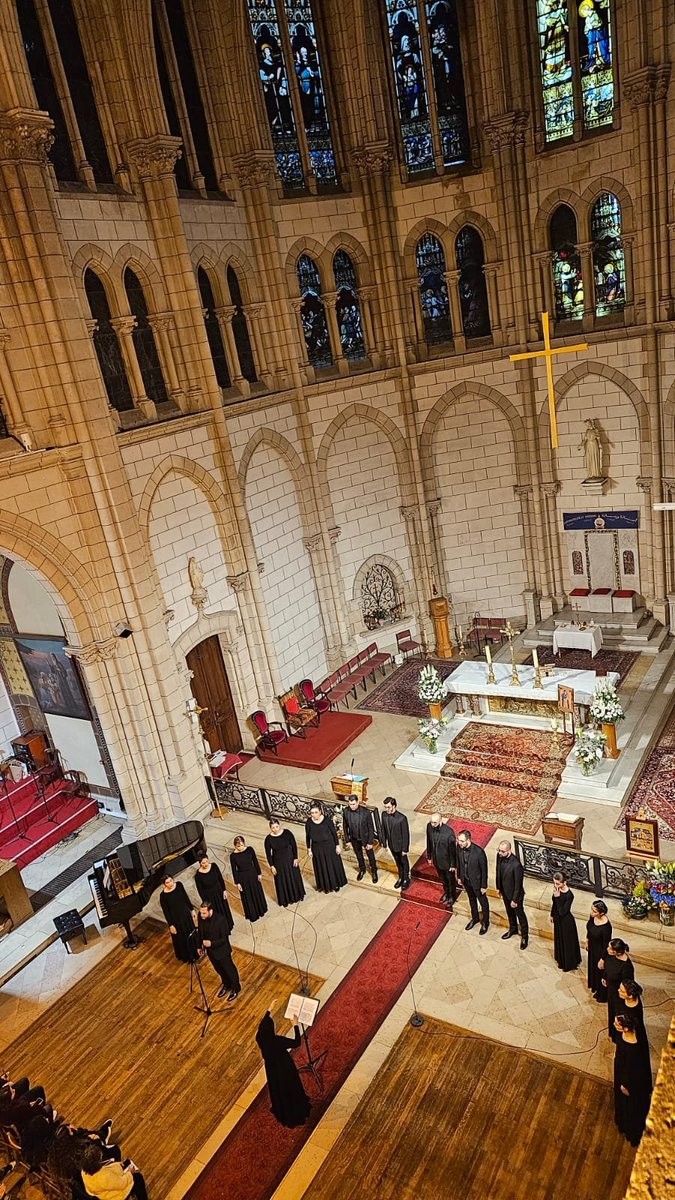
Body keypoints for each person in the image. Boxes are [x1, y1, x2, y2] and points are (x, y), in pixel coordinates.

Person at [255, 1006, 311, 1128]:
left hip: (272, 1070)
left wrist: (269, 1009)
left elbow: (263, 1023)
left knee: (279, 1090)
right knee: (291, 1088)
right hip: (285, 1068)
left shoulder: (260, 1038)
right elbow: (296, 1042)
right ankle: (295, 1112)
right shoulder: (277, 1040)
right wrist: (295, 1025)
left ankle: (283, 1111)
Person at [613, 1013, 653, 1147]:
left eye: (617, 1024)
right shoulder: (625, 1035)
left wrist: (626, 1085)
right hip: (621, 1073)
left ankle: (632, 1131)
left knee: (631, 1107)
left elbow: (632, 1071)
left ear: (625, 1029)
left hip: (629, 1083)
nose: (614, 1025)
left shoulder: (633, 1050)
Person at [197, 900, 241, 1000]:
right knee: (219, 969)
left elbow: (224, 939)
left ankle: (236, 988)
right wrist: (199, 946)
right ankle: (226, 984)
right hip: (211, 952)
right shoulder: (201, 917)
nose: (202, 915)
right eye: (201, 912)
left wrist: (211, 943)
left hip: (222, 951)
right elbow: (200, 932)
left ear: (210, 911)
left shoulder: (220, 920)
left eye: (204, 913)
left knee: (229, 970)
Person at [80, 1140, 147, 1200]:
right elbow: (121, 1183)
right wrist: (130, 1173)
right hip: (115, 1196)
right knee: (138, 1178)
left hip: (102, 1193)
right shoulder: (104, 1177)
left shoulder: (84, 1172)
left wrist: (117, 1165)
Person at [305, 803, 347, 894]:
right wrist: (309, 849)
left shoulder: (327, 820)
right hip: (317, 848)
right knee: (321, 867)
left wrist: (337, 845)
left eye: (316, 812)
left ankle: (335, 884)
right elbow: (308, 836)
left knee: (331, 866)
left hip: (329, 846)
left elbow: (334, 833)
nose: (314, 814)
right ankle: (324, 886)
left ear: (320, 811)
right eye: (312, 813)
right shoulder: (308, 822)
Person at [264, 819, 305, 906]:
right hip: (278, 862)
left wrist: (295, 858)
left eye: (276, 826)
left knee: (294, 877)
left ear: (279, 825)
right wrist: (272, 866)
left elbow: (294, 845)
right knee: (282, 880)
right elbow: (268, 854)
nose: (275, 829)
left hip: (290, 859)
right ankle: (286, 899)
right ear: (270, 828)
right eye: (273, 828)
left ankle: (298, 895)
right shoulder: (268, 839)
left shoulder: (287, 833)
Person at [495, 840, 528, 949]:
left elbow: (518, 885)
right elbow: (498, 872)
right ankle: (513, 929)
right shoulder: (499, 857)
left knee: (520, 915)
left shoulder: (516, 864)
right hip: (505, 891)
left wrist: (514, 900)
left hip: (515, 895)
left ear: (509, 851)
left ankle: (524, 936)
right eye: (499, 850)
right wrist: (499, 888)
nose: (500, 853)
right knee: (509, 913)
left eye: (503, 851)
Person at [602, 937, 634, 1043]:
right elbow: (608, 967)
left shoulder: (626, 967)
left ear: (617, 952)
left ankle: (618, 1037)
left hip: (619, 995)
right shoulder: (612, 957)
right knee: (611, 1011)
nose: (607, 949)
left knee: (617, 1012)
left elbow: (627, 984)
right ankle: (613, 1031)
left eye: (610, 948)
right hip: (611, 990)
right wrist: (605, 977)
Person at [159, 875, 197, 963]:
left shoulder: (179, 885)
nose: (170, 883)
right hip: (176, 919)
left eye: (171, 881)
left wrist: (192, 910)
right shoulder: (163, 896)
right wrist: (171, 925)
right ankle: (188, 956)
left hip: (186, 915)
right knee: (182, 937)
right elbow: (166, 912)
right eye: (167, 882)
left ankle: (196, 952)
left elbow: (186, 898)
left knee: (191, 933)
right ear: (164, 884)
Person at [457, 830, 489, 933]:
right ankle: (475, 918)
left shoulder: (479, 852)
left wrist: (484, 885)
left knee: (483, 903)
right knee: (471, 900)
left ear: (468, 840)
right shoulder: (459, 848)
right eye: (458, 840)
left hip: (477, 883)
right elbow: (459, 863)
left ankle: (485, 922)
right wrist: (459, 877)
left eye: (462, 841)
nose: (459, 843)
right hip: (466, 880)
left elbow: (484, 870)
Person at [230, 836, 267, 922]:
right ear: (235, 846)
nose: (240, 847)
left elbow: (255, 861)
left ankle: (261, 909)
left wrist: (259, 873)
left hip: (252, 873)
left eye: (242, 845)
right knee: (247, 895)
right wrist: (237, 883)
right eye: (238, 846)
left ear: (244, 843)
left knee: (256, 892)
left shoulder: (250, 850)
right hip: (242, 877)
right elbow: (234, 870)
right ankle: (253, 913)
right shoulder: (233, 856)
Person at [342, 794, 378, 883]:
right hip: (354, 838)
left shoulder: (366, 812)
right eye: (350, 804)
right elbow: (345, 827)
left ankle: (374, 871)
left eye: (353, 804)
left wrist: (370, 842)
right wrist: (347, 840)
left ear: (358, 802)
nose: (352, 806)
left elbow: (371, 828)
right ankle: (362, 869)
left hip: (365, 838)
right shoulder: (346, 812)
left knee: (370, 855)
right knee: (358, 855)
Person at [194, 855, 234, 932]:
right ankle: (222, 930)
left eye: (206, 861)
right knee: (216, 913)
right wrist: (206, 902)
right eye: (203, 863)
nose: (205, 864)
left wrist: (224, 890)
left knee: (224, 909)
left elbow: (220, 878)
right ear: (200, 863)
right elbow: (200, 890)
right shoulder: (198, 875)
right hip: (209, 897)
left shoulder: (214, 866)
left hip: (219, 891)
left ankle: (228, 926)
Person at [550, 872, 581, 971]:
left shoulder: (569, 895)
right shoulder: (557, 890)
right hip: (558, 920)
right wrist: (552, 914)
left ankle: (569, 964)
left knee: (567, 943)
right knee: (560, 940)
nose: (556, 886)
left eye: (558, 884)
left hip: (566, 922)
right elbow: (554, 904)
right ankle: (561, 960)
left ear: (564, 882)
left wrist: (558, 897)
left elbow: (563, 911)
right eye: (554, 883)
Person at [426, 813, 457, 910]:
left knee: (450, 880)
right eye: (431, 822)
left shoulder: (449, 833)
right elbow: (429, 842)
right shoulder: (429, 827)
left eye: (435, 823)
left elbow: (453, 851)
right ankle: (446, 893)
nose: (432, 824)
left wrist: (453, 864)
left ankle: (452, 897)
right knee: (443, 879)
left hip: (447, 862)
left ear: (440, 821)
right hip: (436, 859)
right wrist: (429, 856)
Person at [585, 899, 612, 1001]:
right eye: (592, 910)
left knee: (599, 971)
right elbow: (589, 928)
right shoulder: (592, 917)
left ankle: (600, 992)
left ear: (601, 913)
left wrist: (603, 959)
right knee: (592, 968)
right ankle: (594, 986)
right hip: (592, 948)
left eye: (594, 911)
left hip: (600, 952)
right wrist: (587, 940)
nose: (592, 913)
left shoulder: (606, 927)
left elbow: (606, 945)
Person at [381, 797, 410, 890]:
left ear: (394, 806)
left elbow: (406, 835)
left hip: (400, 846)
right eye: (385, 807)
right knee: (397, 862)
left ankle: (406, 878)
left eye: (388, 807)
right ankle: (401, 877)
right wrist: (384, 843)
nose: (386, 809)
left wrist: (405, 849)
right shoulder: (384, 815)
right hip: (391, 844)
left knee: (404, 862)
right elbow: (384, 830)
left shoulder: (402, 818)